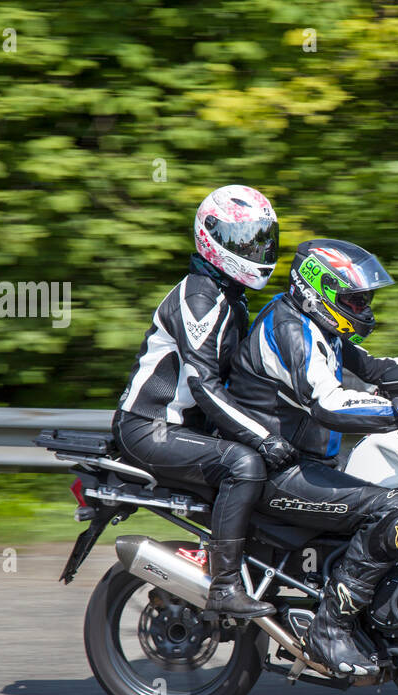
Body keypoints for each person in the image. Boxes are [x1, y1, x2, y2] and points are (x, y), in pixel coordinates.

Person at [229, 239, 398, 676]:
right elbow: (330, 404)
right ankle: (330, 629)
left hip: (304, 464)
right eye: (354, 299)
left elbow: (378, 370)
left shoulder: (320, 327)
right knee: (394, 511)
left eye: (364, 299)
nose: (363, 308)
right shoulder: (291, 328)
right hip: (278, 470)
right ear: (320, 290)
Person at [112, 184, 294, 620]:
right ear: (212, 238)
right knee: (244, 463)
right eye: (245, 240)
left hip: (183, 428)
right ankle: (226, 586)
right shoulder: (200, 296)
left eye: (262, 239)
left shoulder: (228, 295)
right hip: (150, 426)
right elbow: (205, 388)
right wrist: (263, 437)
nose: (257, 249)